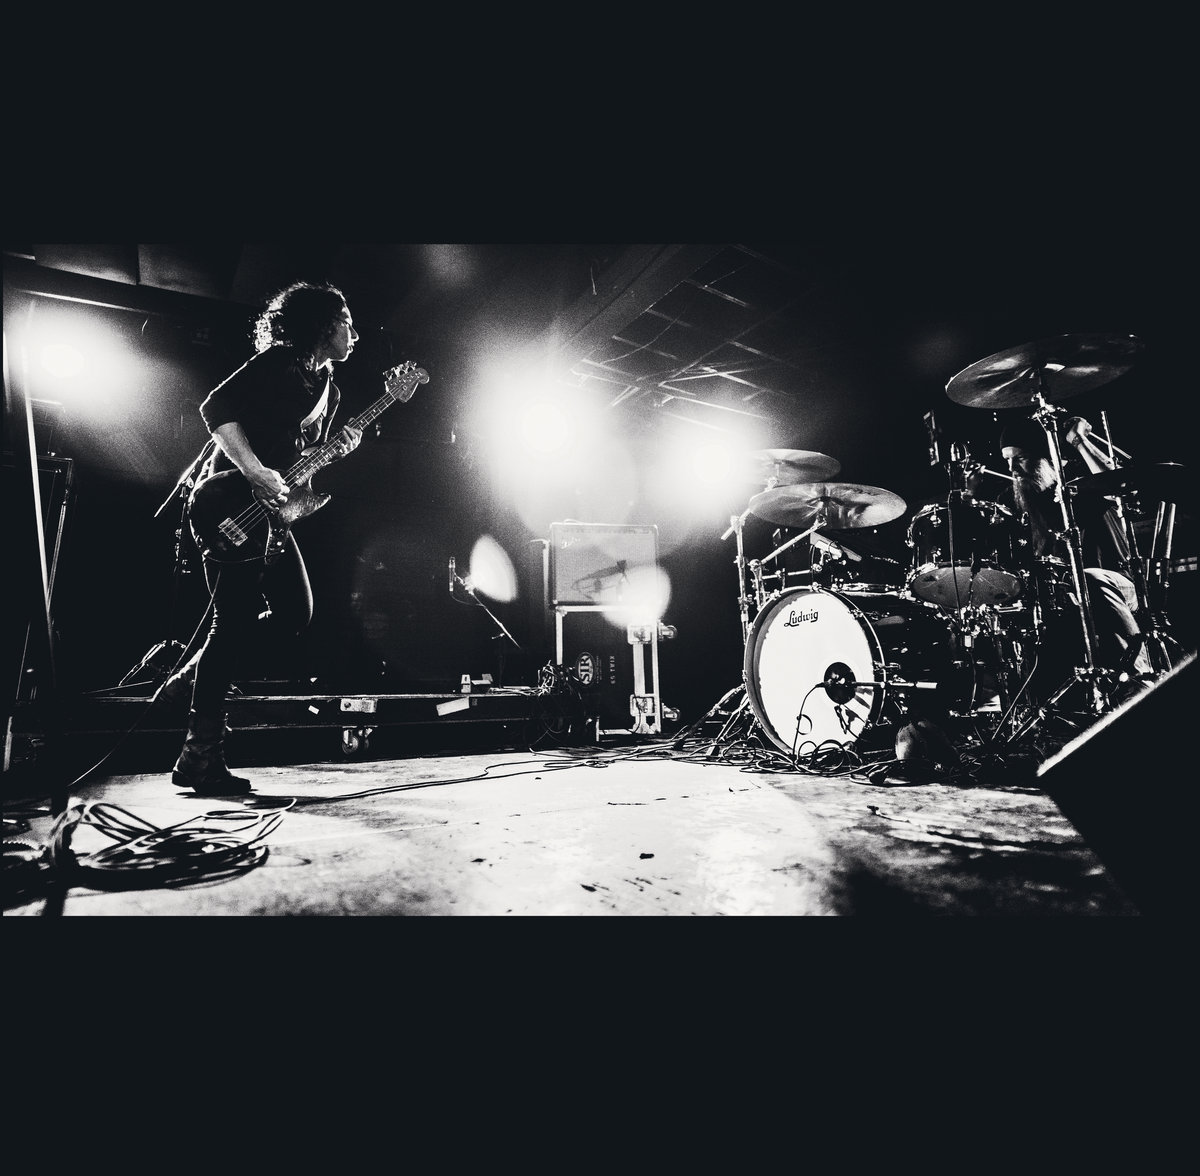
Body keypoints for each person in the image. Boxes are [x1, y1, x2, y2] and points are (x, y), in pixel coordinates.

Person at [160, 281, 363, 794]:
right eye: (346, 323)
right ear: (323, 326)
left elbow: (300, 460)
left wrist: (337, 450)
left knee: (296, 613)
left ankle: (195, 674)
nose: (354, 334)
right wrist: (252, 470)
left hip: (270, 515)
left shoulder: (330, 389)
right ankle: (200, 756)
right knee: (230, 624)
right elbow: (215, 409)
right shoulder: (278, 363)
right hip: (228, 503)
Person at [995, 413, 1152, 706]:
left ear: (1045, 456)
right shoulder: (1017, 501)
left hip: (1116, 586)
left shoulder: (1081, 479)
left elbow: (1121, 486)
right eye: (1007, 461)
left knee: (1090, 579)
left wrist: (1080, 442)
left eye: (1021, 458)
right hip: (1067, 598)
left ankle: (1140, 682)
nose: (1013, 469)